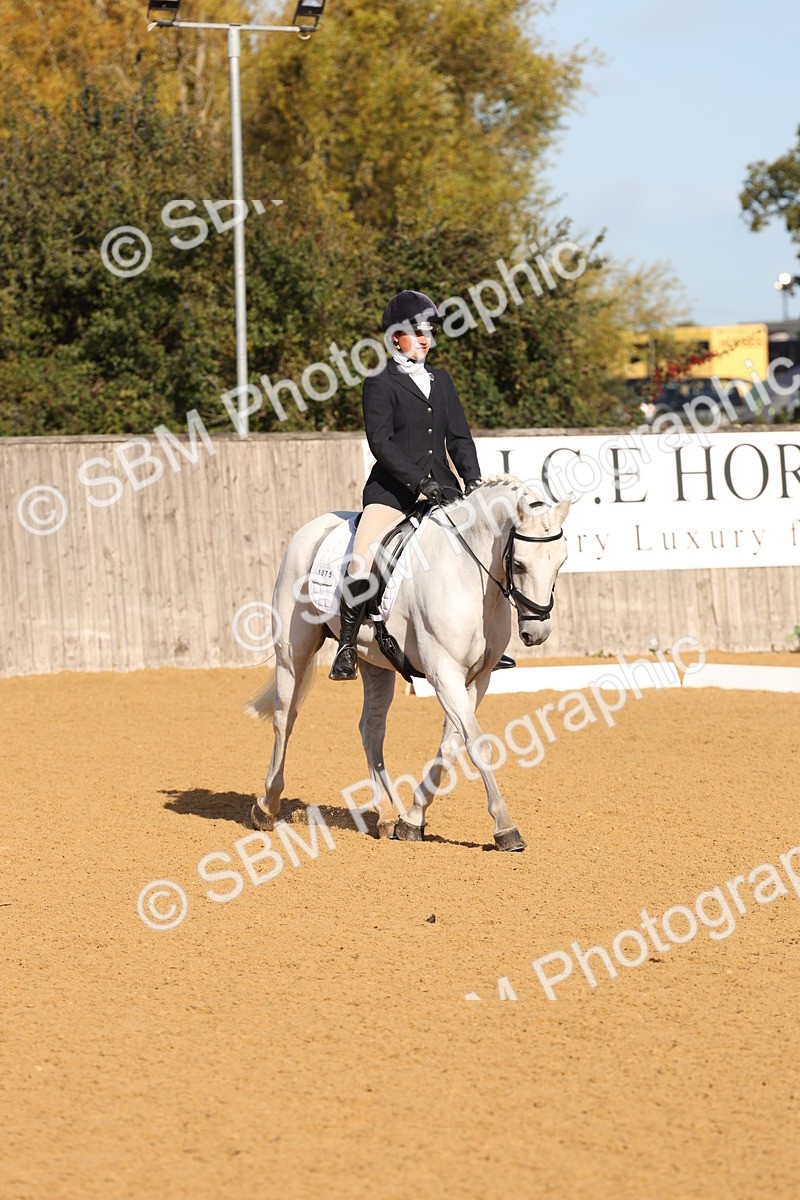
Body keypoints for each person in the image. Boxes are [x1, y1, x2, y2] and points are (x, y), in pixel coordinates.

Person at [329, 289, 482, 681]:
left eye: (429, 332)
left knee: (479, 555)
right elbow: (381, 442)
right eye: (417, 333)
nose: (426, 340)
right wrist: (418, 481)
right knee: (364, 553)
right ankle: (347, 644)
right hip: (392, 492)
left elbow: (459, 439)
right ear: (396, 336)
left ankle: (482, 644)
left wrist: (473, 482)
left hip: (444, 491)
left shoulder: (442, 381)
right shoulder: (380, 381)